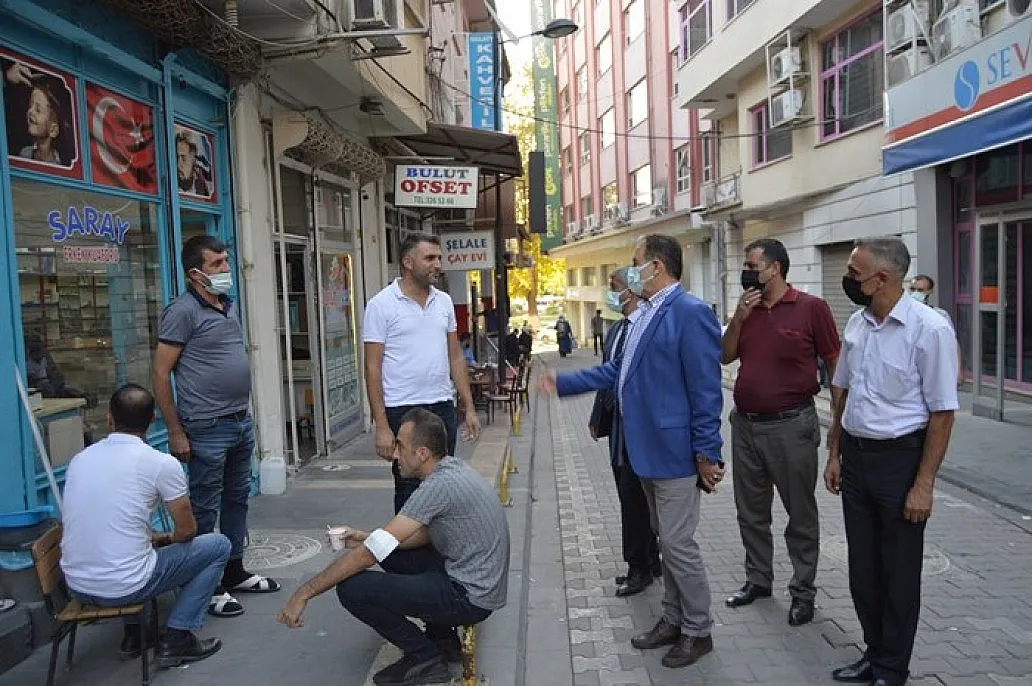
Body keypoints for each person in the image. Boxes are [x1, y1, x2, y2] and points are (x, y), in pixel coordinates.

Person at [540, 234, 724, 669]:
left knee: (677, 545)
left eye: (636, 261)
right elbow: (616, 371)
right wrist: (565, 383)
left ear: (656, 266)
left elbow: (706, 389)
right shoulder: (644, 314)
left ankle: (698, 630)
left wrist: (707, 452)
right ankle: (674, 619)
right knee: (666, 543)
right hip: (646, 451)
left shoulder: (690, 313)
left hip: (675, 453)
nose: (632, 268)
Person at [277, 409, 509, 686]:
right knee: (392, 554)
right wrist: (363, 537)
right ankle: (444, 642)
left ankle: (425, 658)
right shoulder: (451, 469)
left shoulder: (437, 486)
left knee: (353, 589)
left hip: (470, 596)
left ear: (422, 453)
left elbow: (368, 555)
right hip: (475, 581)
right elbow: (416, 536)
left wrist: (303, 593)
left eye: (400, 446)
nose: (395, 454)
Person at [824, 238, 958, 686]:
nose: (847, 280)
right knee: (863, 571)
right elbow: (842, 392)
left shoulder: (929, 329)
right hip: (857, 460)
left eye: (853, 272)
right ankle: (874, 652)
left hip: (901, 462)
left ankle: (891, 669)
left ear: (881, 278)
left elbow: (943, 413)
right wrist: (835, 453)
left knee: (898, 572)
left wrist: (924, 484)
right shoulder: (858, 324)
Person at [153, 235, 280, 619]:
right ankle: (204, 585)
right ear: (196, 273)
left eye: (226, 261)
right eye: (217, 264)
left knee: (237, 499)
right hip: (205, 425)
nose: (226, 269)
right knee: (205, 507)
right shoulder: (182, 312)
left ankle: (234, 570)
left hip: (239, 420)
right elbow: (160, 374)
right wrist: (175, 431)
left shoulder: (228, 304)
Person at [60, 385, 229, 667]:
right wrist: (168, 538)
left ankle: (135, 634)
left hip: (76, 585)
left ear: (109, 418)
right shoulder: (160, 463)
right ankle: (177, 638)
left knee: (134, 550)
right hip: (126, 586)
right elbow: (187, 530)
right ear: (152, 420)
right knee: (218, 546)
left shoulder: (80, 460)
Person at [720, 238, 841, 627]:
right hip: (745, 426)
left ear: (775, 268)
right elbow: (725, 354)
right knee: (750, 512)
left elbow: (835, 365)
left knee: (800, 514)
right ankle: (758, 580)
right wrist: (738, 318)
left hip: (792, 427)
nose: (746, 272)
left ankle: (803, 592)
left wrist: (839, 425)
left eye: (752, 266)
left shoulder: (811, 308)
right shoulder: (747, 309)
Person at [363, 232, 480, 513]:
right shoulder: (381, 305)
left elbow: (455, 357)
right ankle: (405, 541)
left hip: (441, 406)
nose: (437, 264)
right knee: (408, 486)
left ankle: (441, 540)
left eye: (439, 258)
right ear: (408, 262)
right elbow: (372, 367)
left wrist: (469, 407)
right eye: (429, 258)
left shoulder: (444, 302)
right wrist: (381, 426)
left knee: (444, 482)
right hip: (402, 409)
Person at [587, 267, 660, 597]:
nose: (610, 293)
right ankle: (648, 559)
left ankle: (640, 567)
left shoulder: (646, 327)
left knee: (636, 500)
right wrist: (596, 416)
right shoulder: (617, 329)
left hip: (640, 428)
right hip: (618, 427)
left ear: (630, 291)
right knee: (627, 494)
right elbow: (606, 375)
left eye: (614, 286)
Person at [909, 274, 963, 384]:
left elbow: (953, 343)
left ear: (930, 291)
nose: (915, 293)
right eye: (913, 289)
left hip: (934, 368)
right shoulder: (902, 314)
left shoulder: (940, 315)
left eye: (920, 290)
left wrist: (959, 371)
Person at [176, 131, 210, 197]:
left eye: (183, 158)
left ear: (193, 159)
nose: (179, 165)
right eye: (177, 157)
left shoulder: (202, 184)